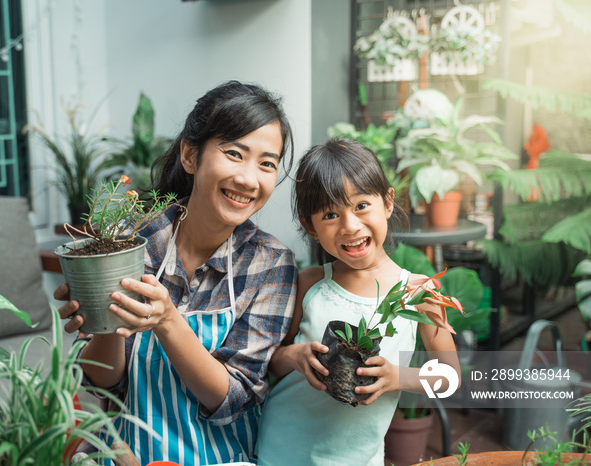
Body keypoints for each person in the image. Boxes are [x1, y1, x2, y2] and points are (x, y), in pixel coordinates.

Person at [55, 80, 297, 466]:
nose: (250, 179)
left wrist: (167, 320)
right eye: (234, 153)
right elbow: (105, 383)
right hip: (128, 456)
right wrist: (105, 318)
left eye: (267, 163)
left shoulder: (270, 263)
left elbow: (232, 399)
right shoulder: (133, 243)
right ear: (189, 155)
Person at [255, 138, 459, 466]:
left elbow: (450, 378)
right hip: (280, 449)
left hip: (357, 458)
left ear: (388, 202)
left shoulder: (420, 292)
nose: (350, 226)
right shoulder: (310, 284)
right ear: (311, 227)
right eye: (331, 214)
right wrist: (293, 356)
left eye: (362, 205)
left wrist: (397, 377)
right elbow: (271, 362)